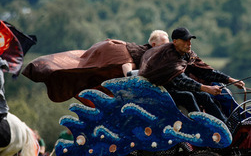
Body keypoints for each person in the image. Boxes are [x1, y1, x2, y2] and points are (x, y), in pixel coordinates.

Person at [22, 30, 169, 103]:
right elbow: (127, 65)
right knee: (79, 67)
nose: (167, 48)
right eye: (164, 44)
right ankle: (44, 68)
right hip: (113, 53)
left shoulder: (156, 57)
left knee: (89, 78)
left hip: (112, 63)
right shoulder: (141, 52)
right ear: (154, 44)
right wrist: (131, 77)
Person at [139, 27, 245, 121]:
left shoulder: (187, 54)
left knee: (204, 96)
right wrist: (206, 88)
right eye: (185, 41)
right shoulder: (168, 57)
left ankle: (225, 126)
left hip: (175, 88)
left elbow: (205, 72)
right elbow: (180, 81)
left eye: (189, 40)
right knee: (188, 96)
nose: (189, 44)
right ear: (175, 41)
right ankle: (200, 125)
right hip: (160, 89)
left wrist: (230, 80)